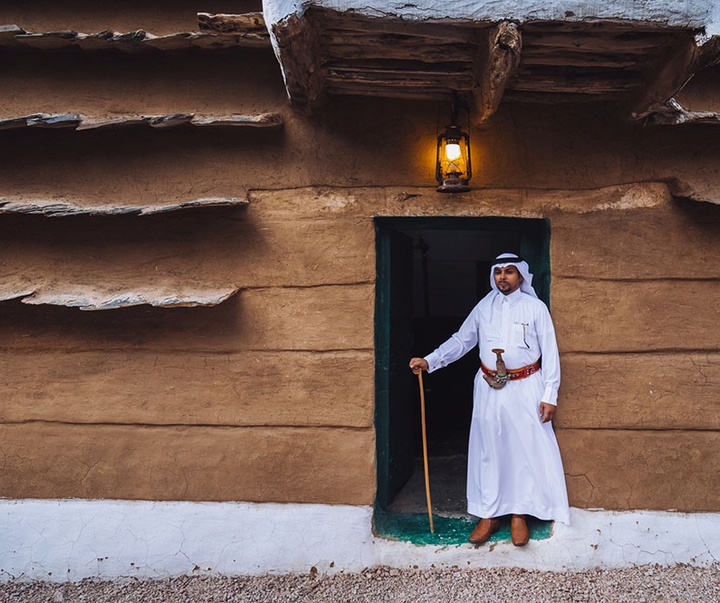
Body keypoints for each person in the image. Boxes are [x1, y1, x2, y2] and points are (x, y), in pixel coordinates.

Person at [409, 253, 569, 547]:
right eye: (498, 272)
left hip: (526, 386)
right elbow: (462, 340)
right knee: (490, 450)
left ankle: (519, 514)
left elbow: (551, 352)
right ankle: (490, 514)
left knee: (522, 450)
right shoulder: (485, 306)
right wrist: (431, 361)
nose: (503, 277)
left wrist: (550, 395)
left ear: (520, 276)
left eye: (509, 272)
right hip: (488, 388)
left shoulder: (535, 308)